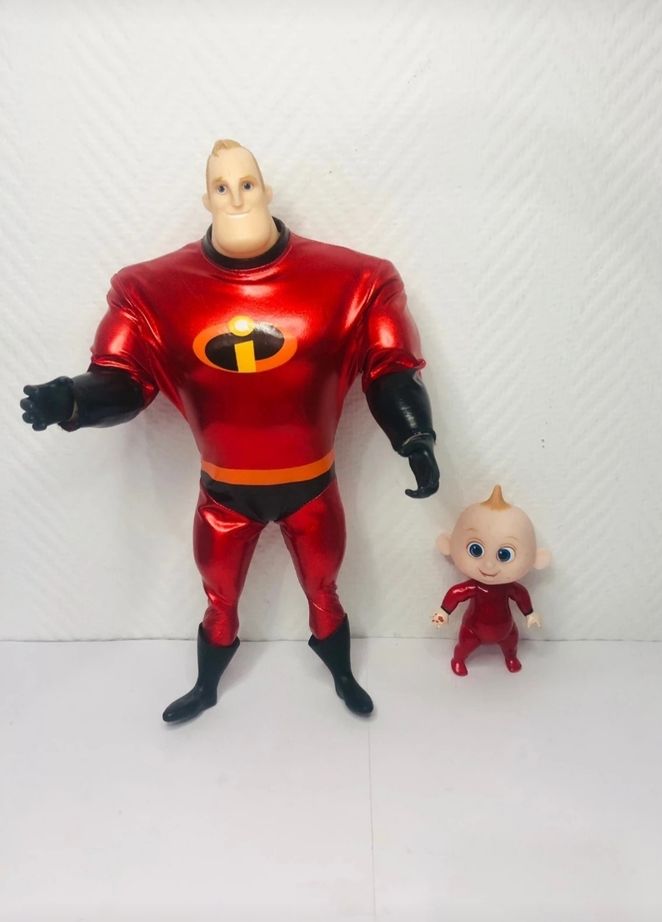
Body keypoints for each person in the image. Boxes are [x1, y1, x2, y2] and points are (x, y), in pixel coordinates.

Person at [20, 139, 439, 722]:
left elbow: (390, 367)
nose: (236, 198)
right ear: (207, 198)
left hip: (312, 487)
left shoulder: (356, 281)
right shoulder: (149, 292)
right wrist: (72, 399)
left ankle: (342, 674)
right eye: (222, 187)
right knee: (219, 600)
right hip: (224, 493)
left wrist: (415, 436)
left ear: (265, 191)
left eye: (246, 185)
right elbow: (123, 378)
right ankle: (206, 687)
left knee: (324, 590)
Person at [432, 486, 550, 675]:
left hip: (506, 629)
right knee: (464, 645)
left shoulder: (509, 588)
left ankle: (511, 657)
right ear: (448, 544)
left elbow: (521, 596)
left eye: (504, 555)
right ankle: (458, 659)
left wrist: (530, 614)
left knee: (511, 643)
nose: (488, 565)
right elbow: (456, 594)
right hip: (473, 630)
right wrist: (443, 612)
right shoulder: (474, 587)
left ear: (537, 559)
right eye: (476, 550)